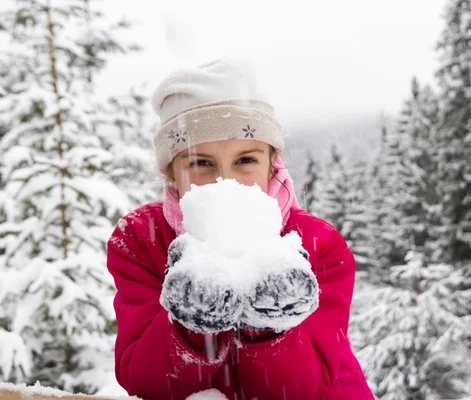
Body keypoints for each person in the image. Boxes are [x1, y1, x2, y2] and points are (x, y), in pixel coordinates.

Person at [106, 58, 374, 400]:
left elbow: (302, 391)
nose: (225, 180)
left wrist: (269, 320)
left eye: (245, 160)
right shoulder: (141, 238)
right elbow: (147, 382)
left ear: (271, 163)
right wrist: (191, 322)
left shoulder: (319, 243)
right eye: (201, 163)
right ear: (172, 173)